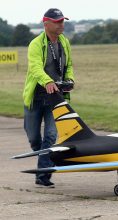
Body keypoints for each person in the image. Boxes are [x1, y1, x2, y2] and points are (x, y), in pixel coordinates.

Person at [23, 8, 74, 187]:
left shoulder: (65, 42)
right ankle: (47, 159)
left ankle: (43, 175)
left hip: (56, 98)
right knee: (34, 138)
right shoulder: (36, 44)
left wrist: (70, 79)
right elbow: (35, 68)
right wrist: (47, 81)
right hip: (36, 98)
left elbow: (68, 65)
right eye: (58, 21)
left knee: (51, 136)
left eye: (62, 21)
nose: (62, 24)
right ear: (46, 24)